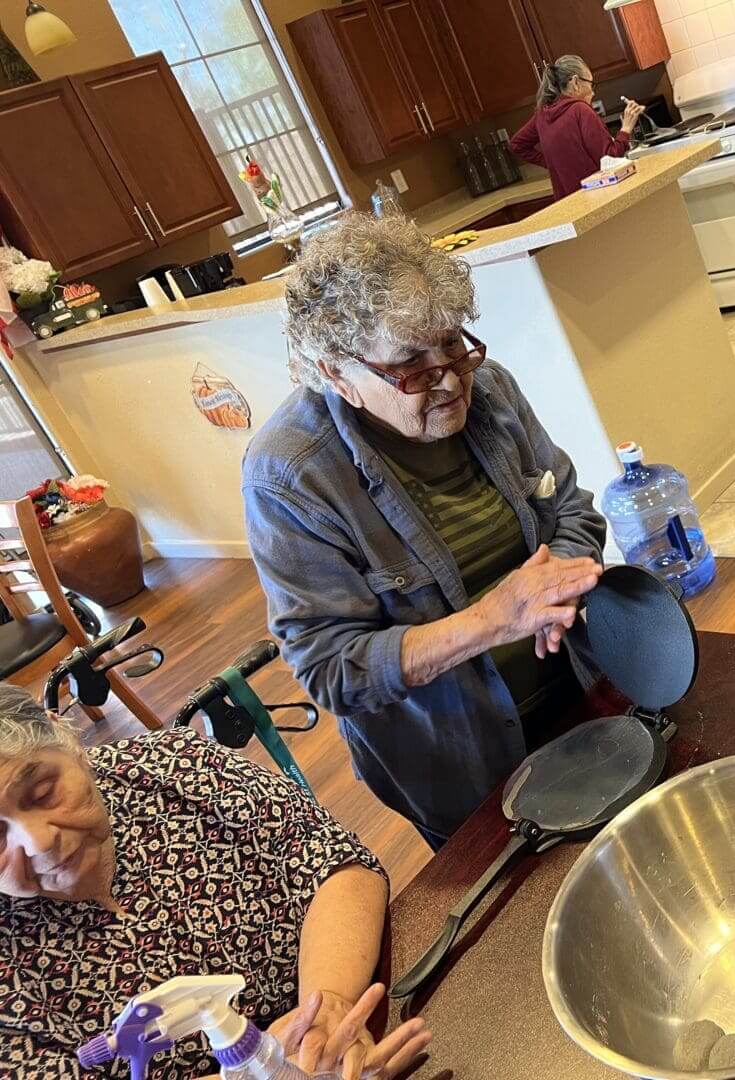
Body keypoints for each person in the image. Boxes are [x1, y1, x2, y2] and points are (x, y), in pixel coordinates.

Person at [244, 212, 605, 850]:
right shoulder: (291, 474)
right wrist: (495, 619)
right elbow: (333, 669)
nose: (450, 379)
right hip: (462, 762)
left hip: (580, 691)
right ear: (334, 372)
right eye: (411, 365)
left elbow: (571, 507)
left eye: (453, 344)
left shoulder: (487, 389)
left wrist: (558, 592)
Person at [0, 685, 430, 1080]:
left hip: (371, 1021)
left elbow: (335, 862)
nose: (39, 841)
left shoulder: (174, 767)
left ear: (68, 743)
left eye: (42, 793)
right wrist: (268, 1071)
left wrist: (326, 1012)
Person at [508, 55, 647, 197]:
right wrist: (626, 129)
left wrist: (553, 164)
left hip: (568, 203)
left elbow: (517, 145)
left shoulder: (542, 115)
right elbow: (609, 158)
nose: (593, 92)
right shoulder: (581, 110)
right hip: (597, 196)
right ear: (575, 82)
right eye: (591, 84)